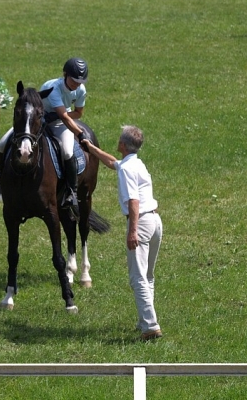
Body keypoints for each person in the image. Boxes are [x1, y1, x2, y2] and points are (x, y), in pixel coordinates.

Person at [82, 125, 163, 341]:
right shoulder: (135, 164)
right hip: (155, 221)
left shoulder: (127, 169)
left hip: (141, 222)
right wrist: (90, 148)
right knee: (147, 276)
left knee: (137, 278)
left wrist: (132, 232)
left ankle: (151, 326)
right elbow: (112, 162)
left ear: (122, 145)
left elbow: (134, 202)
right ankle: (145, 320)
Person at [0, 58, 90, 209]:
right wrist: (79, 133)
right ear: (65, 74)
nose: (76, 84)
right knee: (2, 143)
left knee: (67, 151)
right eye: (73, 80)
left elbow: (77, 113)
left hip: (60, 121)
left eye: (79, 81)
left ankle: (71, 192)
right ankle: (0, 177)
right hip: (36, 120)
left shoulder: (80, 90)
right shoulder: (54, 88)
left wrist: (58, 116)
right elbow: (65, 116)